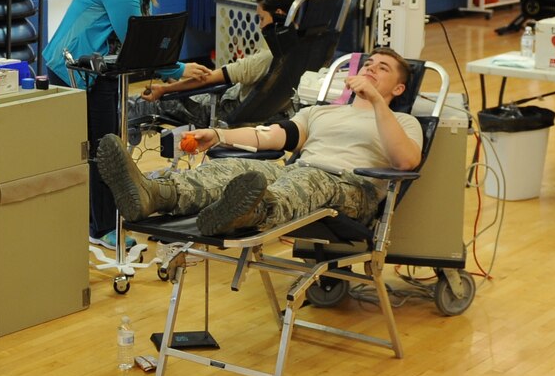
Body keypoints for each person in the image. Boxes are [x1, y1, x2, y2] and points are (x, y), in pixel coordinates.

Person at [95, 48, 424, 240]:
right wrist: (220, 135)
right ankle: (154, 195)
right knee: (236, 167)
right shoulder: (321, 113)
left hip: (351, 191)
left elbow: (405, 162)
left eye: (382, 69)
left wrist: (378, 104)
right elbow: (270, 136)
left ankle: (249, 212)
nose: (371, 70)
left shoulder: (404, 122)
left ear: (397, 90)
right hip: (298, 173)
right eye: (368, 65)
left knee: (305, 178)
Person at [41, 0, 185, 243]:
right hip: (76, 73)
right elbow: (140, 44)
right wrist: (179, 70)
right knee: (102, 150)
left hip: (95, 72)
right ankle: (102, 227)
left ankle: (99, 219)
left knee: (101, 147)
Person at [128, 0, 302, 137]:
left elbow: (208, 79)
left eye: (262, 18)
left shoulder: (268, 58)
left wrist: (164, 89)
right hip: (274, 117)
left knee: (144, 104)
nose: (260, 25)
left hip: (222, 113)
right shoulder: (306, 51)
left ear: (279, 14)